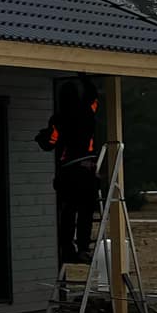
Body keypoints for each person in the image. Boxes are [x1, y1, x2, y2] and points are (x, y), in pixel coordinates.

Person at [35, 73, 101, 262]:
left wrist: (41, 137)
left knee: (68, 212)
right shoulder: (88, 112)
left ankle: (67, 249)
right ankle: (83, 249)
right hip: (87, 169)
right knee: (86, 212)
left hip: (69, 171)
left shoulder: (58, 119)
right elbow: (94, 98)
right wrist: (86, 79)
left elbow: (50, 143)